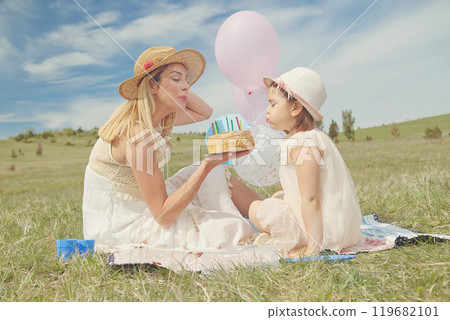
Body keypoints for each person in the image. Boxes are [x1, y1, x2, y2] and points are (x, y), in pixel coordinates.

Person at [82, 46, 262, 253]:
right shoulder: (137, 136)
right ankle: (267, 218)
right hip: (121, 226)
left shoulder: (158, 118)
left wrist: (176, 87)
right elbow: (163, 216)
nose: (186, 86)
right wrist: (207, 163)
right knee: (231, 228)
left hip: (142, 203)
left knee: (215, 174)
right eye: (177, 79)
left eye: (187, 80)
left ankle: (270, 213)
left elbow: (205, 112)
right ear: (153, 85)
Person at [248, 67, 365, 257]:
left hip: (321, 231)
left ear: (295, 108)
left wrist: (313, 246)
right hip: (330, 223)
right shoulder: (311, 138)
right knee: (278, 195)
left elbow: (312, 199)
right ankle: (305, 233)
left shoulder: (303, 145)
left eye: (272, 104)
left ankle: (304, 239)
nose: (267, 111)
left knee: (255, 208)